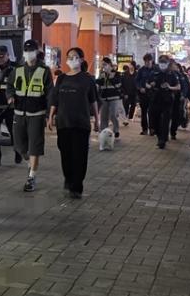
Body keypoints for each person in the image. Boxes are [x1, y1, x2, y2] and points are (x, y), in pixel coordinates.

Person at [49, 47, 98, 199]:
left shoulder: (87, 79)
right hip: (63, 122)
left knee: (80, 155)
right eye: (69, 57)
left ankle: (77, 186)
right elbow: (55, 100)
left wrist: (97, 120)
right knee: (66, 154)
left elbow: (93, 101)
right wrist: (50, 117)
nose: (72, 59)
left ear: (82, 59)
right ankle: (69, 178)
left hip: (81, 123)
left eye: (75, 56)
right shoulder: (61, 78)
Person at [7, 39, 54, 192]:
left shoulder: (44, 71)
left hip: (37, 114)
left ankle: (31, 176)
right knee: (19, 146)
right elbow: (10, 85)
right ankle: (30, 163)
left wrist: (49, 115)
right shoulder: (18, 69)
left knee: (34, 146)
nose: (29, 53)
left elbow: (50, 93)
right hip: (19, 113)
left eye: (31, 50)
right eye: (26, 51)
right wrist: (10, 96)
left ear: (37, 51)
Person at [147, 55, 178, 149]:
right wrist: (150, 85)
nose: (162, 64)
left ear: (168, 64)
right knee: (155, 119)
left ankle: (162, 140)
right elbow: (146, 83)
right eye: (161, 62)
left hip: (167, 100)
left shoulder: (172, 74)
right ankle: (159, 135)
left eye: (164, 63)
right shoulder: (154, 73)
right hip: (155, 99)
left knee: (165, 120)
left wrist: (169, 87)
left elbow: (178, 86)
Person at [96, 57, 124, 137]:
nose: (103, 66)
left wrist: (110, 76)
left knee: (113, 114)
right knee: (103, 116)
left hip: (114, 97)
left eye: (105, 64)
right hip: (104, 98)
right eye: (102, 65)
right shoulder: (102, 74)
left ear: (109, 64)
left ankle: (116, 130)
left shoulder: (116, 73)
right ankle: (103, 131)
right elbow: (98, 83)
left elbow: (118, 84)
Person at [136, 54, 156, 135]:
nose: (147, 63)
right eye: (145, 61)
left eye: (148, 61)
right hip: (143, 94)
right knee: (144, 112)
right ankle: (144, 129)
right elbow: (137, 81)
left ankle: (152, 129)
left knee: (152, 112)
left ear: (152, 61)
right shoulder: (141, 70)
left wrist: (154, 84)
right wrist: (140, 88)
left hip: (153, 94)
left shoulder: (155, 69)